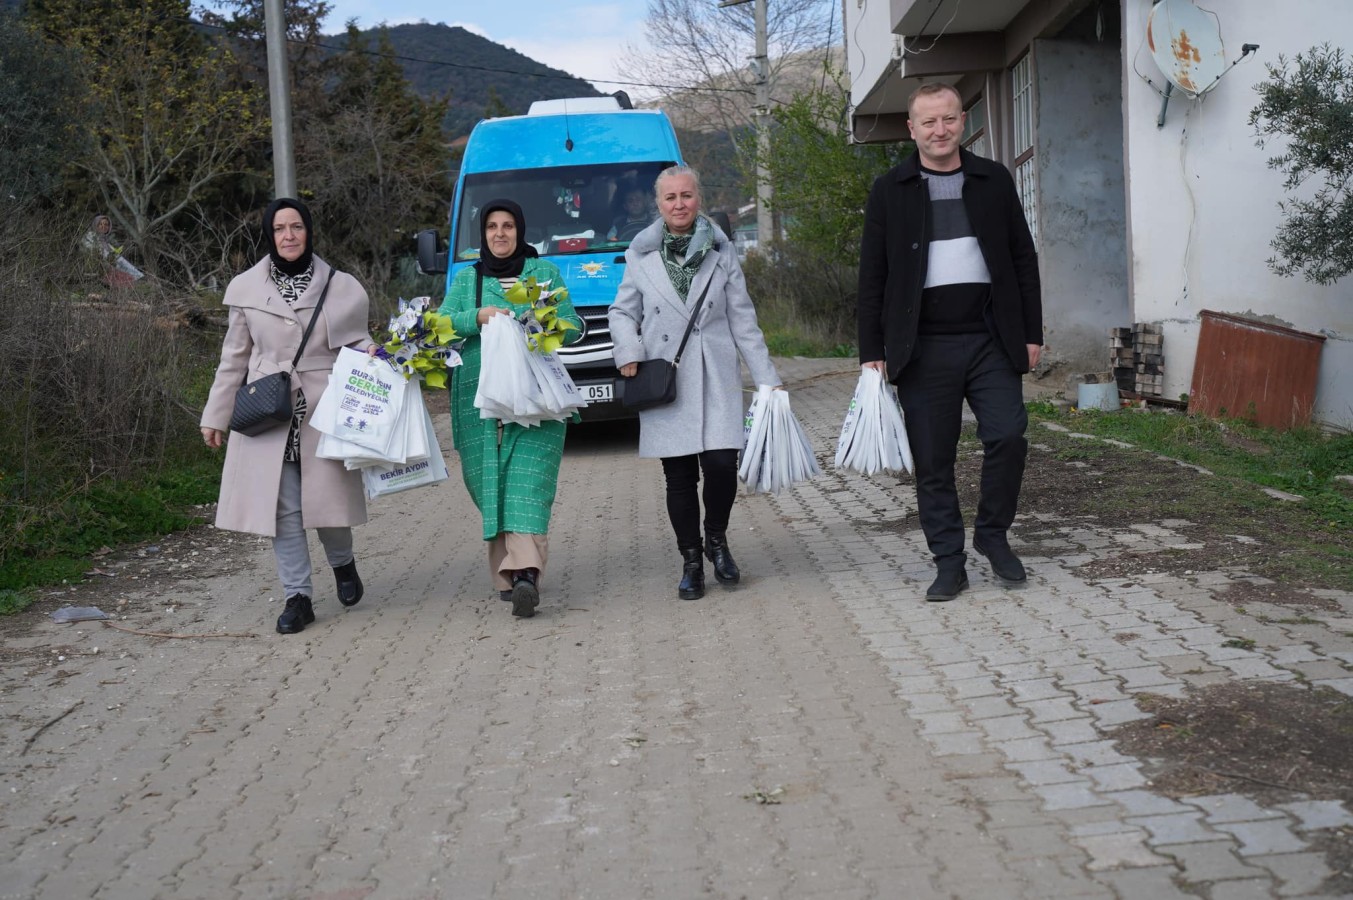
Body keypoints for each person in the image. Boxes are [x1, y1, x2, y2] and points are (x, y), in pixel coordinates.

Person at [857, 82, 1043, 603]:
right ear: (911, 129)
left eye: (948, 119)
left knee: (1008, 436)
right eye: (928, 122)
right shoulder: (890, 189)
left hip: (990, 338)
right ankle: (948, 561)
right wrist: (872, 350)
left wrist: (1032, 332)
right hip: (921, 347)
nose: (939, 130)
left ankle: (992, 534)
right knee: (933, 459)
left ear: (963, 121)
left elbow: (1022, 258)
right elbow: (872, 276)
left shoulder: (993, 179)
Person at [200, 198, 378, 634]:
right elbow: (233, 358)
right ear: (269, 235)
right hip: (268, 409)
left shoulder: (339, 286)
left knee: (328, 505)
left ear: (308, 231)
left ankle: (343, 563)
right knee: (282, 509)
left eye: (296, 226)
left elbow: (356, 341)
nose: (289, 235)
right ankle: (297, 597)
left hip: (322, 409)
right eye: (279, 228)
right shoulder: (246, 288)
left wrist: (374, 352)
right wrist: (215, 415)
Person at [609, 165, 782, 601]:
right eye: (670, 197)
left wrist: (767, 378)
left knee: (722, 465)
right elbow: (622, 311)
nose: (679, 204)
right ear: (659, 204)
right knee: (679, 476)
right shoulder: (641, 254)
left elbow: (743, 319)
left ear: (698, 199)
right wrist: (628, 351)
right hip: (667, 377)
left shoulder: (722, 251)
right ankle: (691, 560)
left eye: (686, 195)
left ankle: (716, 540)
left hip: (716, 373)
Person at [437, 199, 583, 619]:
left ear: (520, 230)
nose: (500, 234)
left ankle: (525, 576)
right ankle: (508, 572)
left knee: (527, 483)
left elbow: (573, 325)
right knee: (489, 483)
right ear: (482, 234)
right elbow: (439, 326)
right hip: (480, 403)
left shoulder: (544, 273)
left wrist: (547, 323)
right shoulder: (469, 279)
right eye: (492, 227)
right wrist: (477, 317)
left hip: (537, 400)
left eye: (508, 226)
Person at [82, 214, 145, 282]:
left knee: (120, 260)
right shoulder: (90, 237)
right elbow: (96, 253)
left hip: (107, 265)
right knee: (118, 262)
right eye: (100, 224)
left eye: (106, 224)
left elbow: (114, 255)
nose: (103, 226)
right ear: (95, 225)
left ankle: (138, 277)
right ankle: (137, 277)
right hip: (96, 267)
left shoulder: (104, 240)